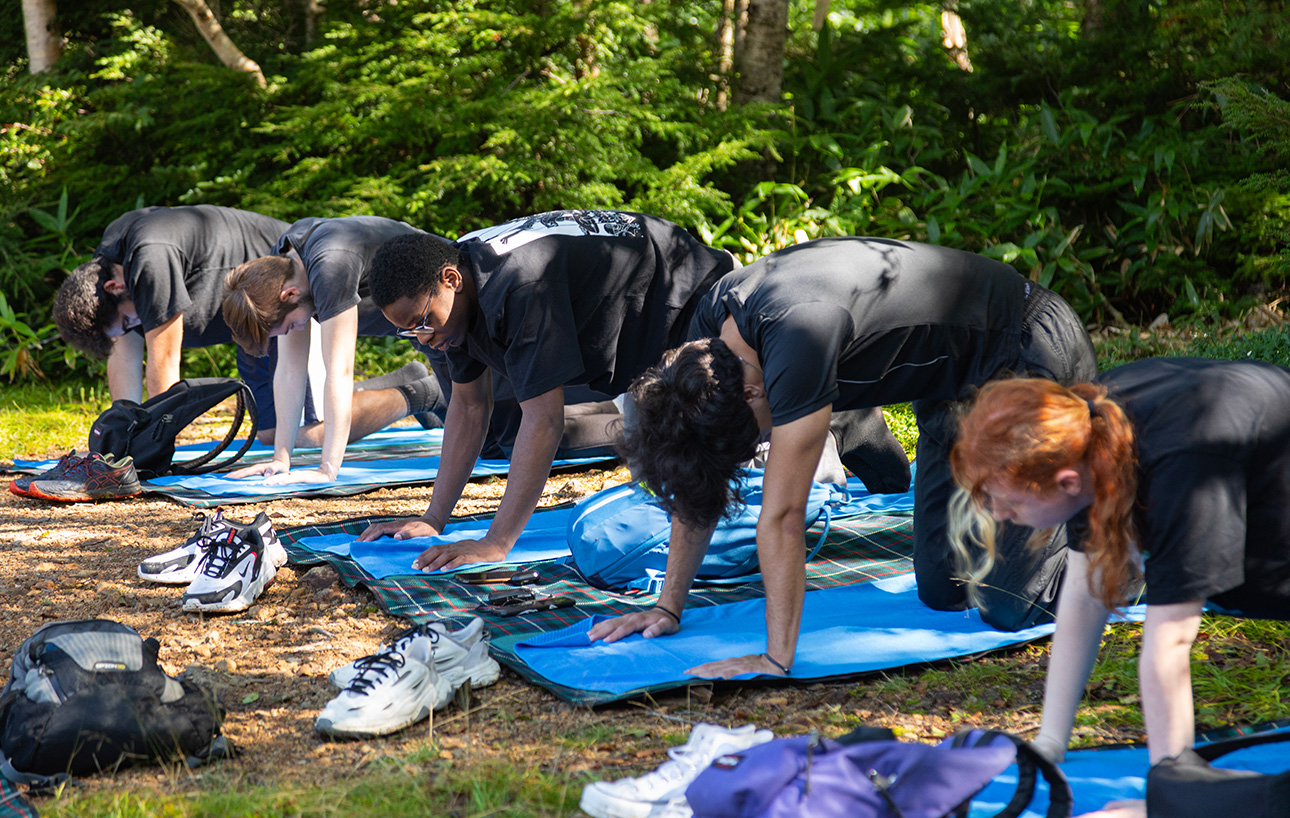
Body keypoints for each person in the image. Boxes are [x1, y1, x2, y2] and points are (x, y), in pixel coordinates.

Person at [588, 237, 1097, 680]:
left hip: (1025, 348)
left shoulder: (797, 336)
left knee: (1015, 605)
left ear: (752, 395)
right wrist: (667, 607)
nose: (758, 451)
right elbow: (698, 474)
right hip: (950, 385)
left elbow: (782, 515)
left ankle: (1131, 535)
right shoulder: (707, 347)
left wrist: (776, 657)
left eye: (752, 441)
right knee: (947, 589)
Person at [949, 357, 1290, 818]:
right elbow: (1084, 593)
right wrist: (1050, 741)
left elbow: (1170, 641)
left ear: (1065, 483)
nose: (998, 515)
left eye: (1005, 501)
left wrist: (1168, 801)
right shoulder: (1090, 427)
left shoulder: (1180, 462)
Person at [354, 209, 740, 569]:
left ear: (451, 280)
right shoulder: (456, 296)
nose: (421, 339)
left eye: (421, 322)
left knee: (708, 475)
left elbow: (544, 419)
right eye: (408, 331)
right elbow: (469, 407)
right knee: (655, 498)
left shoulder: (519, 284)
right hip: (647, 331)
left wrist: (497, 543)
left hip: (703, 302)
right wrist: (433, 518)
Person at [220, 215, 451, 484]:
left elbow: (339, 372)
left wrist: (327, 469)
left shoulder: (329, 265)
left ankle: (434, 393)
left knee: (496, 445)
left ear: (290, 295)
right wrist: (280, 459)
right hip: (422, 331)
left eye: (288, 326)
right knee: (483, 436)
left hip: (453, 314)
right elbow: (289, 370)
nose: (290, 332)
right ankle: (437, 394)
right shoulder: (283, 265)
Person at [52, 205, 298, 420]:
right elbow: (124, 354)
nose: (133, 327)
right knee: (270, 433)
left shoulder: (150, 259)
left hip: (293, 289)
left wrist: (158, 441)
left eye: (128, 321)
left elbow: (165, 359)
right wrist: (126, 432)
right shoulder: (107, 270)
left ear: (114, 288)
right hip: (255, 321)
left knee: (304, 432)